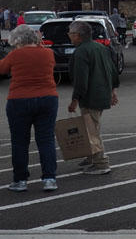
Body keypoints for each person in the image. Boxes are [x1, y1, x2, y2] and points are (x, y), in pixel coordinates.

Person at [0, 25, 59, 192]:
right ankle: (49, 179)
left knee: (19, 141)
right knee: (46, 140)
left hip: (19, 100)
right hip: (48, 98)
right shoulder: (48, 53)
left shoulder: (15, 55)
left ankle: (20, 180)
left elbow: (2, 69)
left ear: (17, 41)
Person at [67, 20, 119, 174]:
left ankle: (101, 163)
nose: (69, 36)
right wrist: (113, 91)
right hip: (101, 94)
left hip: (90, 97)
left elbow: (81, 79)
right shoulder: (100, 47)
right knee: (92, 127)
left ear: (78, 35)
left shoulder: (81, 51)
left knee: (91, 131)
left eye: (70, 33)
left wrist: (74, 100)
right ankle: (91, 157)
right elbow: (112, 70)